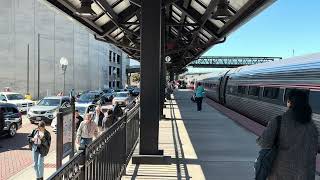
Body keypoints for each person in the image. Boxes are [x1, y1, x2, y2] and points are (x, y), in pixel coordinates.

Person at [257, 89, 318, 180]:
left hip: (281, 173)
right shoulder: (312, 126)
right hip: (306, 175)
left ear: (289, 102)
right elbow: (314, 150)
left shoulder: (279, 121)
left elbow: (264, 143)